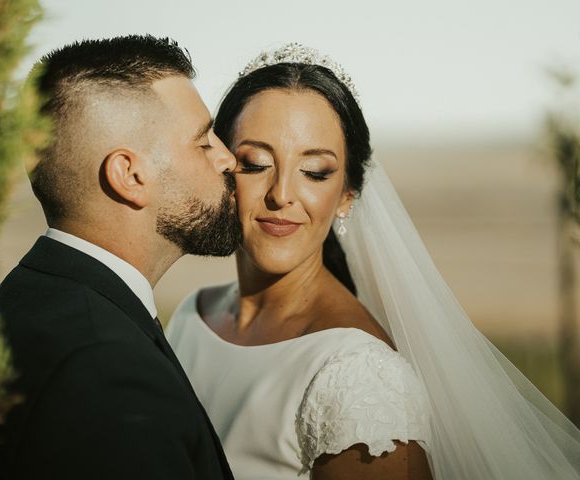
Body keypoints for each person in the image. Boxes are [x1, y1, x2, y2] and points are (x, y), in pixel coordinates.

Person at [167, 43, 580, 479]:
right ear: (222, 170)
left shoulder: (362, 377)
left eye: (315, 172)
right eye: (256, 163)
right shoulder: (193, 316)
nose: (281, 194)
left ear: (346, 196)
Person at [0, 35, 239, 480]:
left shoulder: (30, 294)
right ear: (130, 175)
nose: (228, 159)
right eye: (203, 143)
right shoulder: (107, 372)